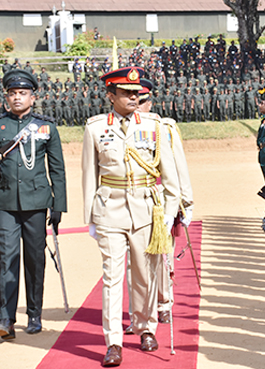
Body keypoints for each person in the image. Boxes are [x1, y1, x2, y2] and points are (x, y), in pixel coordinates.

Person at [82, 67, 180, 367]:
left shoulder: (155, 125)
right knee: (112, 277)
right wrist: (91, 219)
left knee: (144, 274)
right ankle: (113, 341)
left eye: (137, 93)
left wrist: (170, 212)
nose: (134, 97)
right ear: (111, 96)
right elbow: (89, 175)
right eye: (126, 93)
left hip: (147, 209)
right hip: (110, 209)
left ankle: (146, 327)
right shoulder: (96, 128)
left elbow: (170, 176)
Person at [0, 69, 67, 340]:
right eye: (12, 93)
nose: (17, 98)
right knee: (6, 258)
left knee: (35, 260)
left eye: (22, 93)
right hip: (4, 202)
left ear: (33, 96)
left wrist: (58, 205)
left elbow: (57, 169)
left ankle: (34, 313)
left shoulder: (46, 127)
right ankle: (5, 318)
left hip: (36, 202)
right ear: (6, 97)